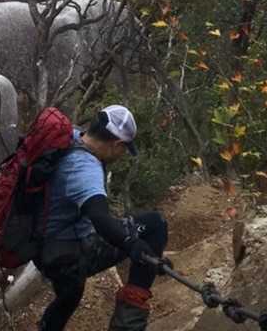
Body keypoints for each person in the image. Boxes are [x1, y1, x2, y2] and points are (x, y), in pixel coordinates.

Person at [37, 104, 168, 331]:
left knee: (70, 293)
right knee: (155, 225)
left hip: (42, 245)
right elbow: (100, 219)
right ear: (116, 144)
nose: (122, 155)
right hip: (69, 253)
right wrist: (133, 244)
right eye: (124, 149)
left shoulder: (70, 138)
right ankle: (127, 327)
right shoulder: (85, 168)